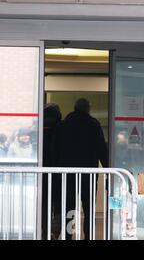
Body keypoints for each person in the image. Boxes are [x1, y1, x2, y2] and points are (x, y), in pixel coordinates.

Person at [52, 98, 108, 240]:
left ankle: (68, 235)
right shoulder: (93, 125)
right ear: (88, 109)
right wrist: (108, 169)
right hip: (88, 176)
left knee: (69, 208)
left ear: (74, 108)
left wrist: (55, 172)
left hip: (67, 175)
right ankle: (88, 236)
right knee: (89, 209)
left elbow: (55, 151)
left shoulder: (62, 125)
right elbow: (102, 149)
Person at [42, 103, 62, 239]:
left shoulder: (38, 126)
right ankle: (56, 232)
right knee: (58, 203)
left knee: (44, 203)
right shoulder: (62, 127)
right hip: (59, 173)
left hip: (41, 174)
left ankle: (44, 230)